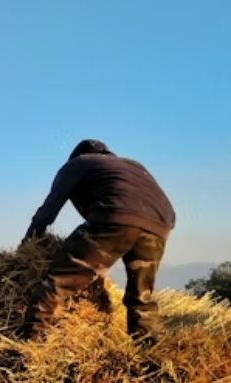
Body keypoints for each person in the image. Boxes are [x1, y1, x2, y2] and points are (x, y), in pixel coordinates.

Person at [21, 139, 176, 341]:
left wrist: (28, 243)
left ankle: (32, 342)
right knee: (141, 296)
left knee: (57, 282)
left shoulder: (77, 164)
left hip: (115, 215)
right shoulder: (133, 165)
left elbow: (48, 212)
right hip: (159, 225)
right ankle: (149, 345)